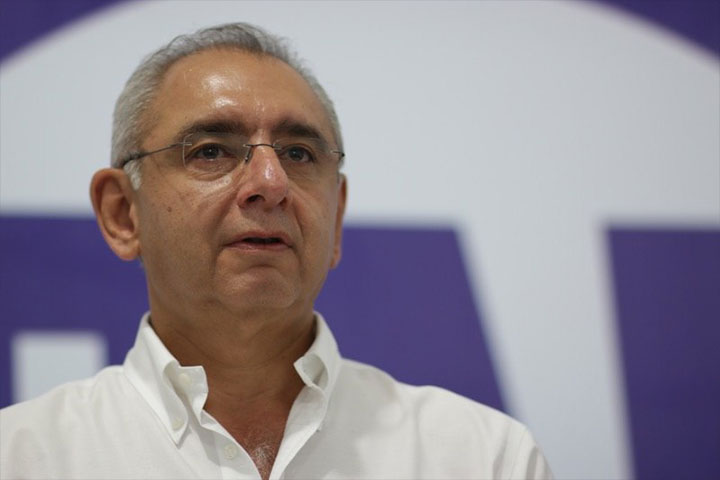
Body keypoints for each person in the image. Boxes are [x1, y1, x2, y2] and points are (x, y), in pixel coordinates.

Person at [0, 23, 552, 479]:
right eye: (211, 150)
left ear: (336, 216)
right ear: (123, 214)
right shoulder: (22, 457)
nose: (271, 182)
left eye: (299, 153)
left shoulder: (482, 457)